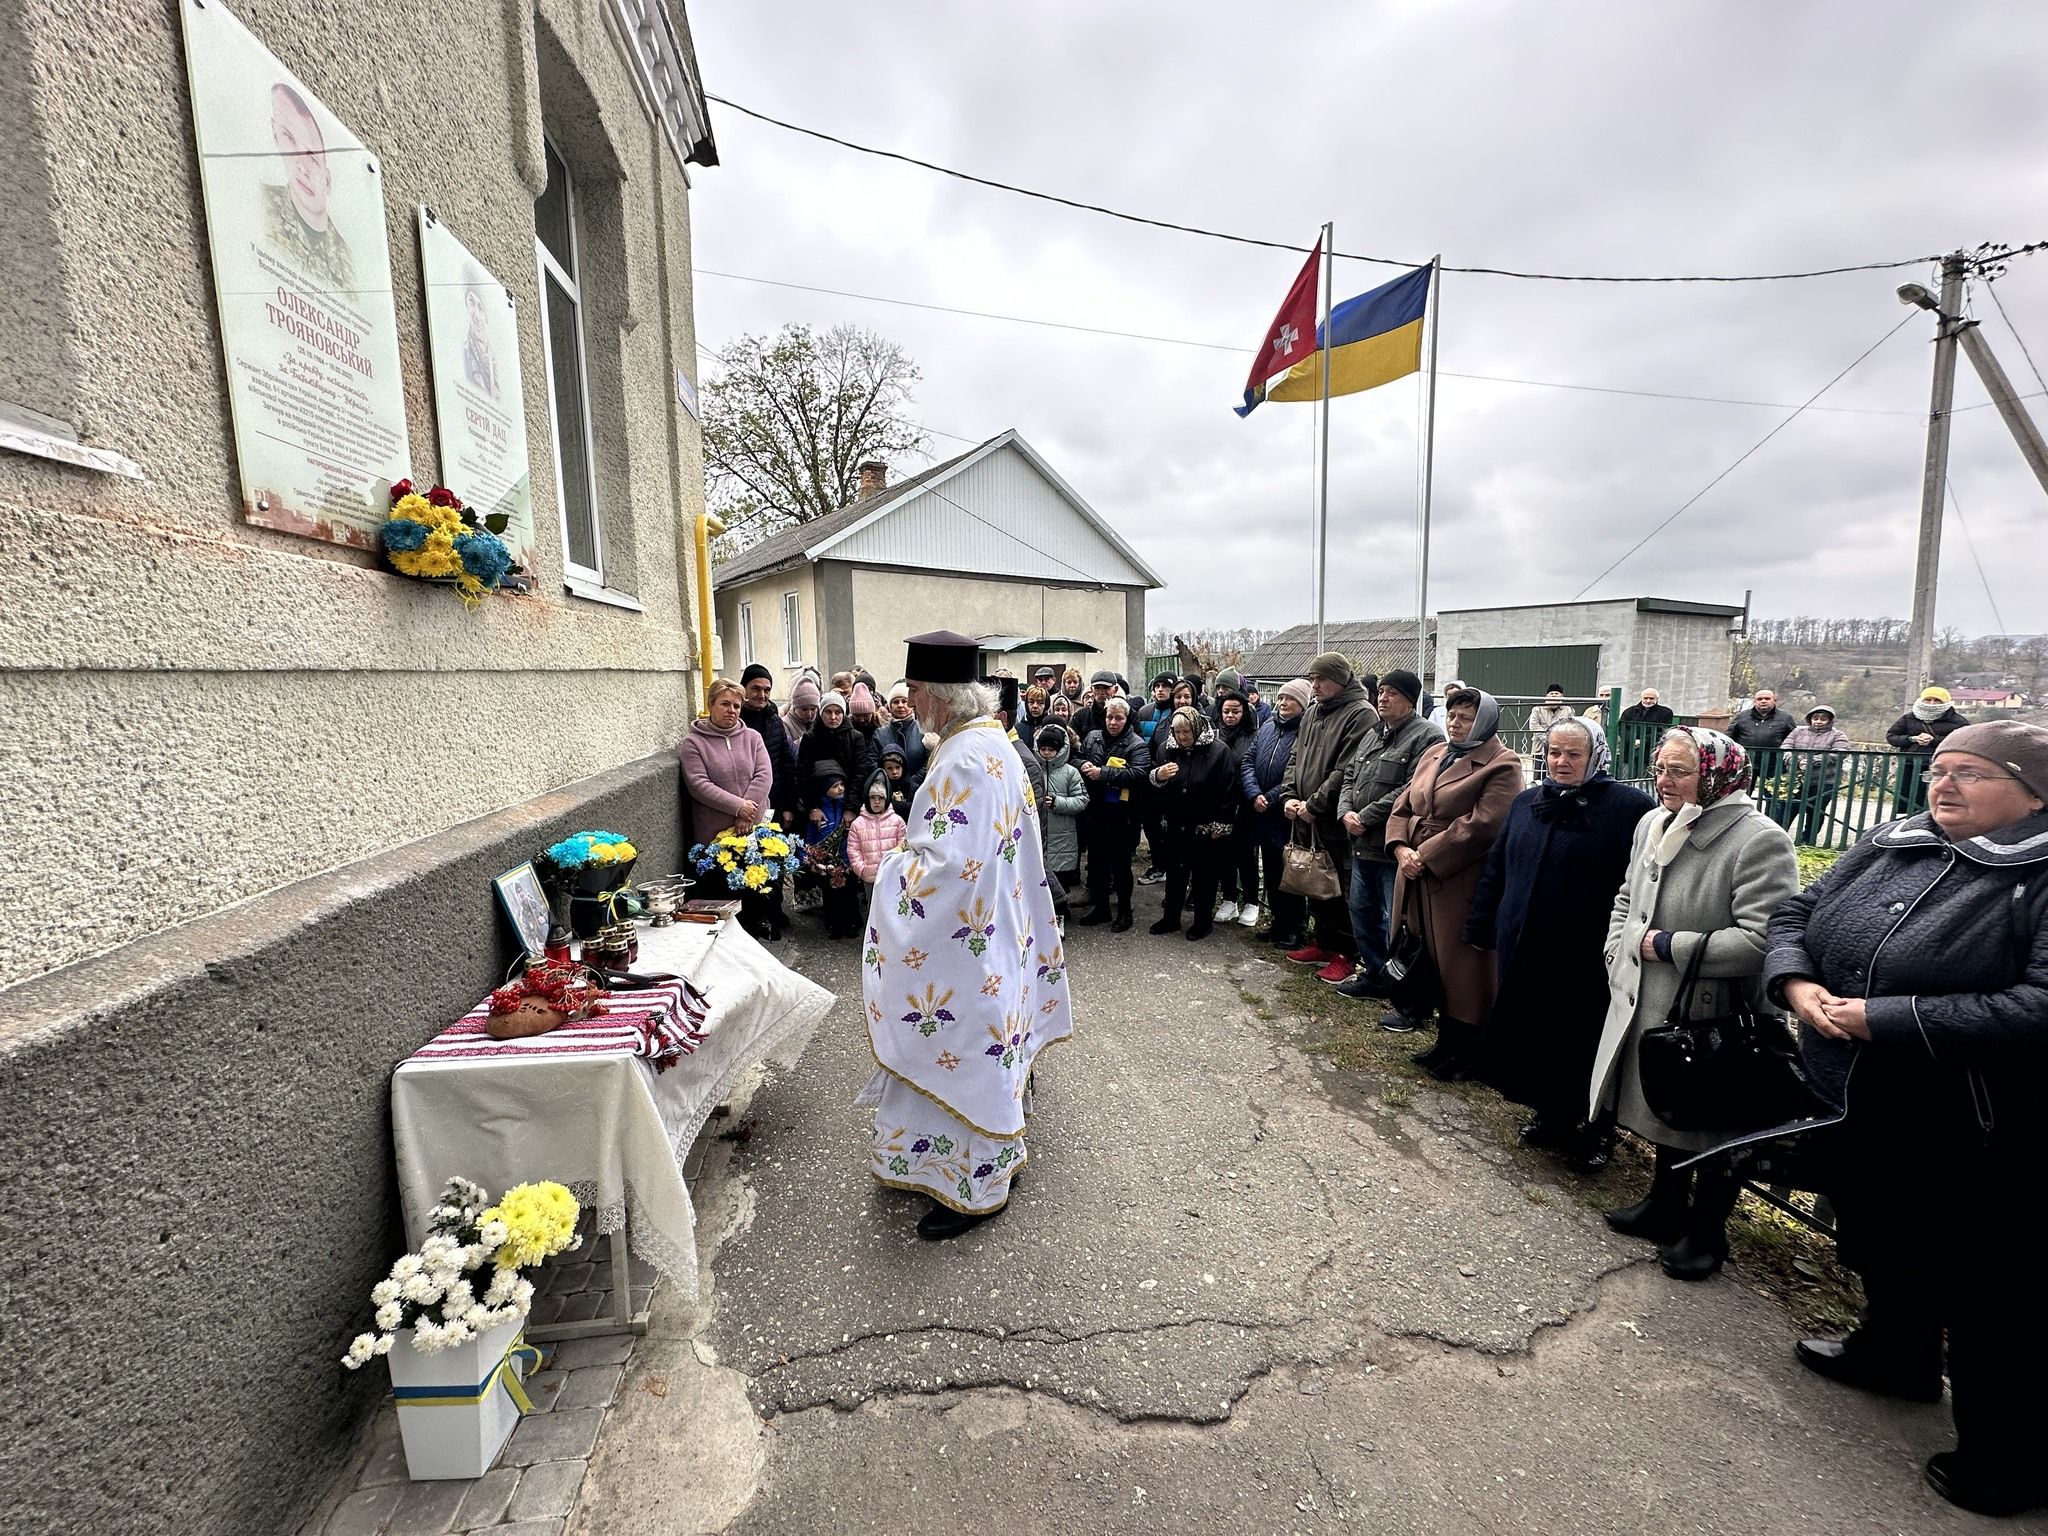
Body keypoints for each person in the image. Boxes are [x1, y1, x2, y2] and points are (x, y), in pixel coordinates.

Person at [1764, 721, 2048, 1517]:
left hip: (1983, 1126)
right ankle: (1895, 1354)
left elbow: (2039, 1005)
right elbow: (1796, 913)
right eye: (1939, 768)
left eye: (1972, 774)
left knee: (1992, 1291)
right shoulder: (1897, 836)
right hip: (1862, 1097)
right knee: (1882, 1231)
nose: (1944, 784)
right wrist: (1797, 985)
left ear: (2034, 794)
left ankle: (2007, 1460)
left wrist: (1885, 1018)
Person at [857, 630, 1072, 1240]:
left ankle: (975, 1187)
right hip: (995, 928)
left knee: (963, 1050)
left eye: (916, 690)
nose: (911, 699)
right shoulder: (992, 743)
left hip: (965, 943)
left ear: (940, 696)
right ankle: (993, 1155)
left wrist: (893, 868)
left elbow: (946, 869)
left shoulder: (964, 759)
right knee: (982, 1049)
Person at [1590, 727, 1798, 1281]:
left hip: (1716, 1011)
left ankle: (1708, 1232)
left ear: (1717, 775)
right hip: (1653, 997)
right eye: (1661, 768)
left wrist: (1665, 947)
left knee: (1710, 1119)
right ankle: (1664, 1205)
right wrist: (1619, 949)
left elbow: (1763, 940)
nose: (1664, 781)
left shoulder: (1758, 839)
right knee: (1669, 1105)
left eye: (1681, 771)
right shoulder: (1653, 823)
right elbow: (1628, 897)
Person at [1465, 719, 1654, 1166]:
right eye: (1553, 752)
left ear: (1597, 757)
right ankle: (1551, 1115)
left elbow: (1641, 883)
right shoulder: (1529, 801)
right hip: (1525, 941)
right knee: (1538, 1031)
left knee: (1583, 1039)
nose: (1561, 762)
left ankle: (1598, 1132)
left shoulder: (1628, 808)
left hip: (1584, 952)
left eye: (1573, 754)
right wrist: (1481, 923)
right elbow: (1498, 866)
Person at [1384, 688, 1525, 1078]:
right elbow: (1403, 805)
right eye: (1451, 715)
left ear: (1484, 721)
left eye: (1465, 717)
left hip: (1459, 878)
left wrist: (1424, 855)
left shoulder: (1502, 764)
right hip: (1415, 873)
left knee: (1463, 967)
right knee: (1428, 956)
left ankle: (1469, 1052)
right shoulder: (1435, 753)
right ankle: (1444, 1042)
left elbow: (1483, 826)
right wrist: (1399, 847)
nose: (1454, 723)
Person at [1330, 669, 1442, 1007]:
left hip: (1392, 847)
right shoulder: (1373, 733)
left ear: (1410, 700)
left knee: (1398, 921)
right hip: (1361, 846)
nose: (1383, 698)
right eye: (1381, 692)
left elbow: (1408, 790)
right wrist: (1345, 811)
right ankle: (1375, 974)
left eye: (1392, 693)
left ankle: (1403, 985)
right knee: (1361, 913)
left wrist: (1365, 817)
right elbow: (1350, 774)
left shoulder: (1427, 738)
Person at [1277, 653, 1378, 982]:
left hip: (1332, 818)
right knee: (1313, 881)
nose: (1314, 685)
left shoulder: (1360, 714)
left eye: (1320, 679)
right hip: (1305, 813)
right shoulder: (1314, 711)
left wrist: (1315, 805)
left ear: (1340, 679)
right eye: (1312, 678)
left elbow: (1346, 769)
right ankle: (1322, 941)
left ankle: (1344, 953)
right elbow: (1296, 756)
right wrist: (1289, 795)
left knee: (1338, 886)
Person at [678, 678, 779, 938]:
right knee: (723, 889)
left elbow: (764, 775)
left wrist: (748, 815)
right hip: (715, 834)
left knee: (756, 884)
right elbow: (699, 784)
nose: (732, 710)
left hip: (753, 829)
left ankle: (757, 929)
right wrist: (738, 807)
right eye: (725, 704)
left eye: (736, 705)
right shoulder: (694, 743)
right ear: (710, 705)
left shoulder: (752, 738)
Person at [1147, 707, 1237, 940]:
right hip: (1176, 824)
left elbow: (1228, 791)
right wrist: (1158, 776)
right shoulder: (1166, 749)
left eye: (1186, 731)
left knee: (1204, 877)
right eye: (1177, 732)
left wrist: (1221, 825)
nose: (1182, 737)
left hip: (1205, 826)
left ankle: (1202, 922)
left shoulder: (1219, 751)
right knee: (1176, 874)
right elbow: (1153, 783)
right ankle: (1171, 918)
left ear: (1196, 728)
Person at [262, 82, 357, 295]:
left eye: (313, 158)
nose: (302, 168)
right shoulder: (258, 207)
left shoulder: (348, 260)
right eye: (290, 140)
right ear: (276, 135)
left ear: (328, 179)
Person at [1244, 678, 1311, 949]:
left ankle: (1295, 927)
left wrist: (1269, 798)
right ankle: (1277, 921)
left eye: (1290, 699)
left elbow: (1295, 773)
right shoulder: (1268, 725)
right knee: (1271, 871)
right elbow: (1249, 760)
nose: (1283, 703)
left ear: (1303, 704)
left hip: (1285, 812)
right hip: (1261, 811)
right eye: (1281, 698)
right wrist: (1252, 792)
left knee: (1291, 873)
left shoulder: (1306, 731)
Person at [1075, 696, 1149, 932]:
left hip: (1122, 815)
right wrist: (1083, 766)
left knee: (1120, 866)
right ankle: (1102, 909)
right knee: (1097, 864)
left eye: (1118, 718)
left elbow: (1139, 773)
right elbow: (1075, 757)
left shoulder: (1136, 744)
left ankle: (1125, 912)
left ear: (1127, 719)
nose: (1113, 722)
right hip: (1095, 812)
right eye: (1109, 717)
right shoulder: (1093, 737)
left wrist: (1103, 773)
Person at [1213, 689, 1263, 927]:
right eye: (1226, 711)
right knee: (1223, 853)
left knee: (1245, 854)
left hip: (1245, 803)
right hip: (1220, 803)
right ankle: (1229, 899)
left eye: (1235, 711)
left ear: (1244, 712)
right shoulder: (1213, 734)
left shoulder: (1254, 736)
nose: (1230, 716)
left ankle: (1252, 902)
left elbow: (1253, 766)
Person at [1887, 685, 1971, 816]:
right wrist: (1912, 739)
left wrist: (1934, 740)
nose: (1932, 703)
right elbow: (1891, 736)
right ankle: (1901, 821)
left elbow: (1964, 740)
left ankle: (1932, 820)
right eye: (1928, 699)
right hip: (1910, 763)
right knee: (1905, 794)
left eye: (1937, 701)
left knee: (1935, 794)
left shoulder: (1958, 721)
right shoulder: (1908, 717)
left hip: (1940, 766)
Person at [1780, 703, 1853, 842]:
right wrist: (1797, 761)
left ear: (1830, 720)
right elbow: (1786, 748)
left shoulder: (1837, 735)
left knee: (1816, 810)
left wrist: (1813, 761)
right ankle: (1779, 837)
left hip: (1824, 780)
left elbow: (1840, 752)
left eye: (1823, 718)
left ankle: (1807, 839)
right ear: (1810, 719)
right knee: (1788, 808)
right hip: (1796, 779)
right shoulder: (1797, 732)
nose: (1818, 721)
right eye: (1815, 718)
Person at [802, 760, 859, 939]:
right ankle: (833, 923)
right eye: (835, 786)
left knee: (850, 892)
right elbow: (810, 837)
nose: (840, 789)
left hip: (846, 859)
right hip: (827, 863)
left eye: (842, 784)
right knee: (830, 894)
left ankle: (851, 922)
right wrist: (808, 857)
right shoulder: (817, 813)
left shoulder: (846, 807)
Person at [798, 691, 874, 822]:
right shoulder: (810, 738)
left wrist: (851, 808)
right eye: (828, 712)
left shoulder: (856, 738)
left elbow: (860, 773)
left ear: (843, 714)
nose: (833, 717)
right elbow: (803, 774)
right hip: (820, 807)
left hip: (847, 803)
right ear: (821, 713)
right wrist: (813, 807)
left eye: (838, 712)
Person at [739, 665, 799, 822]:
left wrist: (788, 806)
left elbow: (786, 766)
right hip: (740, 804)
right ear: (743, 688)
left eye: (767, 690)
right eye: (756, 689)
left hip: (773, 803)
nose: (762, 695)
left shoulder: (774, 721)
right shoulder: (735, 721)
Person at [1036, 725, 1087, 895]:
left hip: (1063, 839)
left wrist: (1058, 803)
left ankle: (1061, 917)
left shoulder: (1071, 773)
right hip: (1040, 836)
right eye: (1043, 749)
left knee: (1061, 886)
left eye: (1051, 749)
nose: (1047, 753)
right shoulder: (1034, 771)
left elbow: (1082, 800)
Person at [846, 771, 907, 897]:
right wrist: (861, 870)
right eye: (873, 798)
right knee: (872, 908)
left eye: (881, 798)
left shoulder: (897, 821)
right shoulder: (858, 824)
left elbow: (904, 844)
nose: (877, 802)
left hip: (892, 876)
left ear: (888, 797)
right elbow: (853, 850)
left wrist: (900, 867)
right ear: (867, 798)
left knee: (893, 907)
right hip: (870, 878)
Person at [877, 681, 931, 782]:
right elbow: (873, 762)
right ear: (890, 706)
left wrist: (915, 781)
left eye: (904, 701)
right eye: (896, 702)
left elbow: (928, 760)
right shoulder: (879, 734)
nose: (900, 705)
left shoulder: (923, 731)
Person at [878, 743, 918, 821]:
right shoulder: (879, 788)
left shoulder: (913, 788)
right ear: (883, 769)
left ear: (903, 767)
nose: (894, 771)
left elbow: (918, 809)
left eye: (897, 767)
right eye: (889, 768)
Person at [781, 676, 822, 751]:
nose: (809, 714)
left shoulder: (820, 721)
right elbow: (786, 752)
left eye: (813, 709)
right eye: (804, 709)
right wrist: (806, 740)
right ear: (795, 707)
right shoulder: (784, 725)